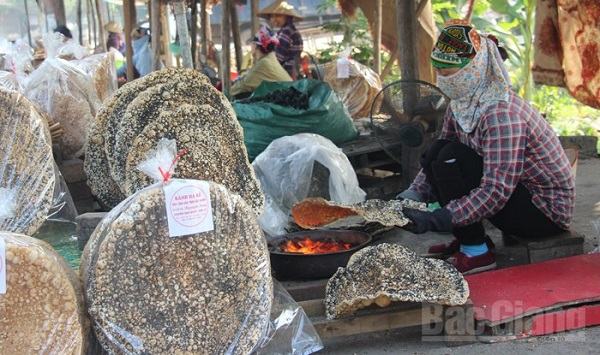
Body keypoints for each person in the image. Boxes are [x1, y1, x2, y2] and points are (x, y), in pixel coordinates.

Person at [399, 20, 575, 275]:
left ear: (475, 69)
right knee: (439, 151)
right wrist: (412, 196)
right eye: (440, 72)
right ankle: (470, 239)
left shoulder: (501, 114)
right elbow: (438, 153)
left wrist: (441, 218)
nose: (443, 80)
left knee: (450, 158)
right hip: (515, 196)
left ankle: (477, 252)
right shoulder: (462, 103)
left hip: (543, 212)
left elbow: (496, 190)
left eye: (450, 74)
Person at [230, 26, 292, 99]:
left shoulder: (264, 63)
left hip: (287, 99)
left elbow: (243, 85)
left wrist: (225, 93)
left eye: (252, 43)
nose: (250, 46)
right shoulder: (268, 59)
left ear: (256, 45)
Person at [258, 1, 303, 79]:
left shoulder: (286, 32)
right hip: (293, 71)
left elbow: (278, 58)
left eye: (278, 16)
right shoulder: (289, 30)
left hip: (287, 71)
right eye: (272, 16)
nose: (274, 19)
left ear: (287, 17)